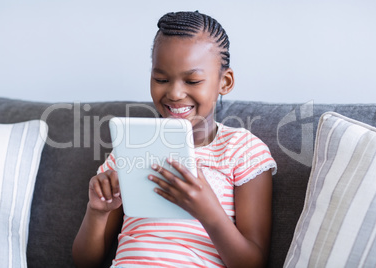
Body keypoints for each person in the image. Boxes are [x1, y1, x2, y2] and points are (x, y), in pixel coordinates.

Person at [73, 11, 277, 268]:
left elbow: (253, 263)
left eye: (192, 80)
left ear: (224, 82)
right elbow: (84, 262)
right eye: (161, 79)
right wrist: (98, 212)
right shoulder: (131, 146)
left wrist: (208, 211)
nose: (175, 93)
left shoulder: (243, 150)